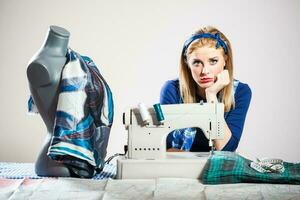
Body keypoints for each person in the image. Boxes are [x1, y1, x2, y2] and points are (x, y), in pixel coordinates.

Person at [160, 26, 251, 152]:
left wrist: (211, 95)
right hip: (178, 169)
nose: (204, 71)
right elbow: (166, 146)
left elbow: (225, 148)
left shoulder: (240, 92)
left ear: (225, 60)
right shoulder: (172, 90)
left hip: (215, 171)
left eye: (213, 61)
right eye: (197, 63)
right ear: (187, 64)